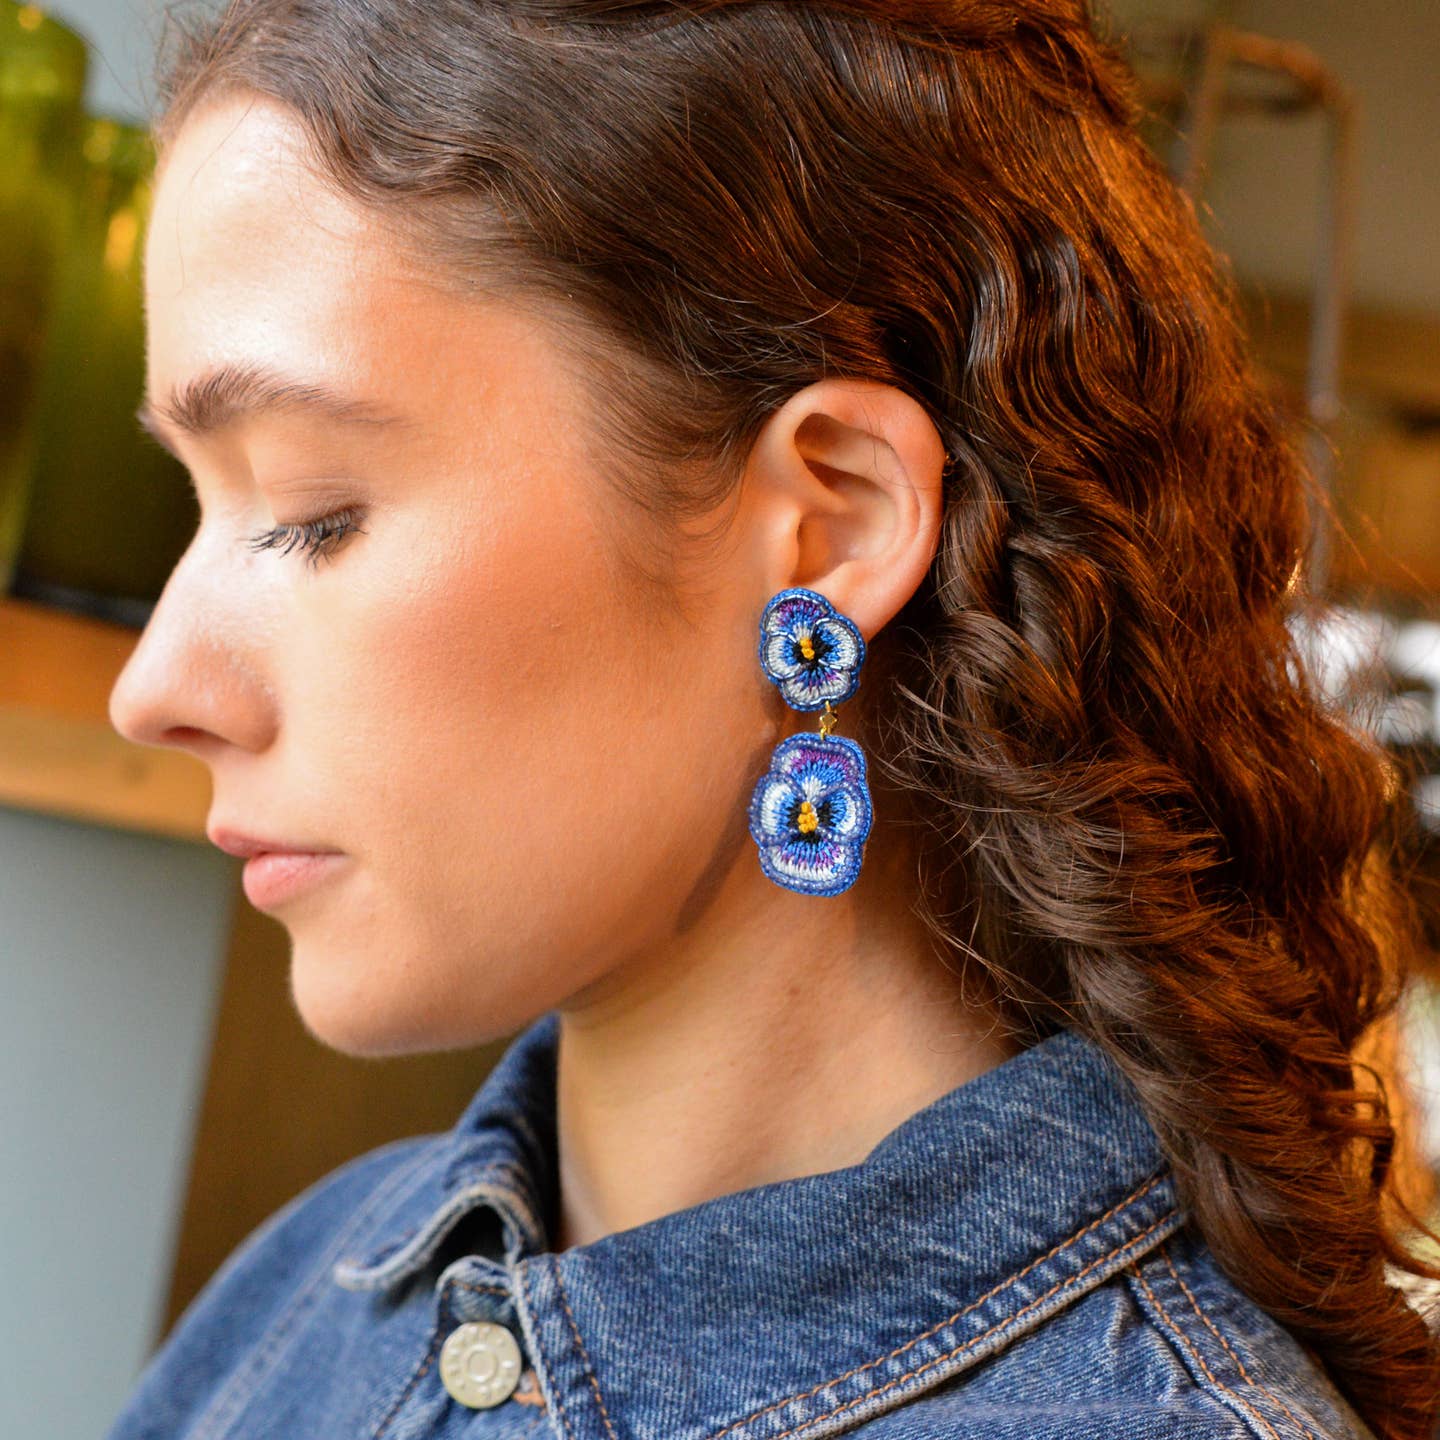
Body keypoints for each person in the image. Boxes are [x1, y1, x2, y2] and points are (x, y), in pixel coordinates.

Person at [103, 0, 1440, 1436]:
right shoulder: (299, 1304)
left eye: (314, 514)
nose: (156, 687)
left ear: (833, 525)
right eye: (201, 503)